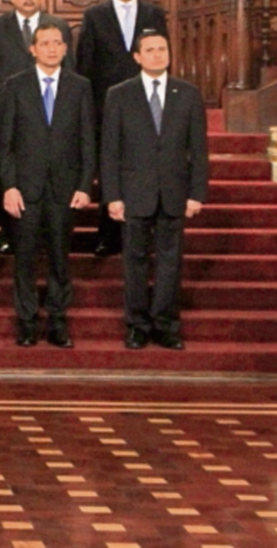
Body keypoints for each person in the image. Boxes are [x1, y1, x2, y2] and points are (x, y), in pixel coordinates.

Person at [101, 30, 208, 351]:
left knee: (170, 262)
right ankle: (137, 325)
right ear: (137, 56)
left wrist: (197, 193)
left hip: (174, 193)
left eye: (162, 49)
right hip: (134, 193)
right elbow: (110, 151)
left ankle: (165, 325)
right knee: (133, 261)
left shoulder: (188, 94)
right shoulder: (119, 95)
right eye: (150, 50)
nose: (158, 55)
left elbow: (199, 149)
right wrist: (113, 196)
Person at [0, 23, 96, 348]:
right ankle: (26, 322)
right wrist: (8, 186)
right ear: (33, 48)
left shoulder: (80, 87)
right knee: (24, 258)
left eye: (58, 43)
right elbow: (5, 143)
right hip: (24, 190)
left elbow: (87, 141)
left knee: (59, 259)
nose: (52, 48)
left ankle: (57, 321)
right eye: (45, 43)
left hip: (65, 190)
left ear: (66, 48)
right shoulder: (14, 86)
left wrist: (84, 185)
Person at [76, 0, 168, 257]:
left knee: (145, 169)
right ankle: (108, 235)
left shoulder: (155, 14)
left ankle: (144, 235)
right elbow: (85, 67)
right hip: (107, 108)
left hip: (147, 106)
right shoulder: (95, 15)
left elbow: (163, 59)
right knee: (110, 171)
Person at [0, 0, 71, 255]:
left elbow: (71, 72)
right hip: (7, 113)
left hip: (49, 112)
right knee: (10, 169)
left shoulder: (58, 27)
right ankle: (8, 231)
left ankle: (45, 233)